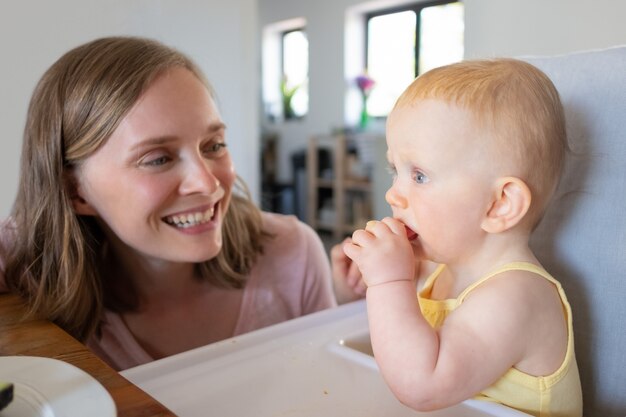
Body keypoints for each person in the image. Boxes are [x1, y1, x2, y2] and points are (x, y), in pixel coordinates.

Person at [0, 36, 336, 371]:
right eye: (158, 159)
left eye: (214, 145)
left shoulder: (294, 254)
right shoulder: (21, 268)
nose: (208, 183)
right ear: (75, 191)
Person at [341, 59, 582, 416]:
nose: (394, 194)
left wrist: (388, 281)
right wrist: (366, 282)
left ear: (499, 205)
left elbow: (422, 385)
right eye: (396, 170)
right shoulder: (439, 273)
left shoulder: (517, 297)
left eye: (419, 176)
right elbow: (395, 336)